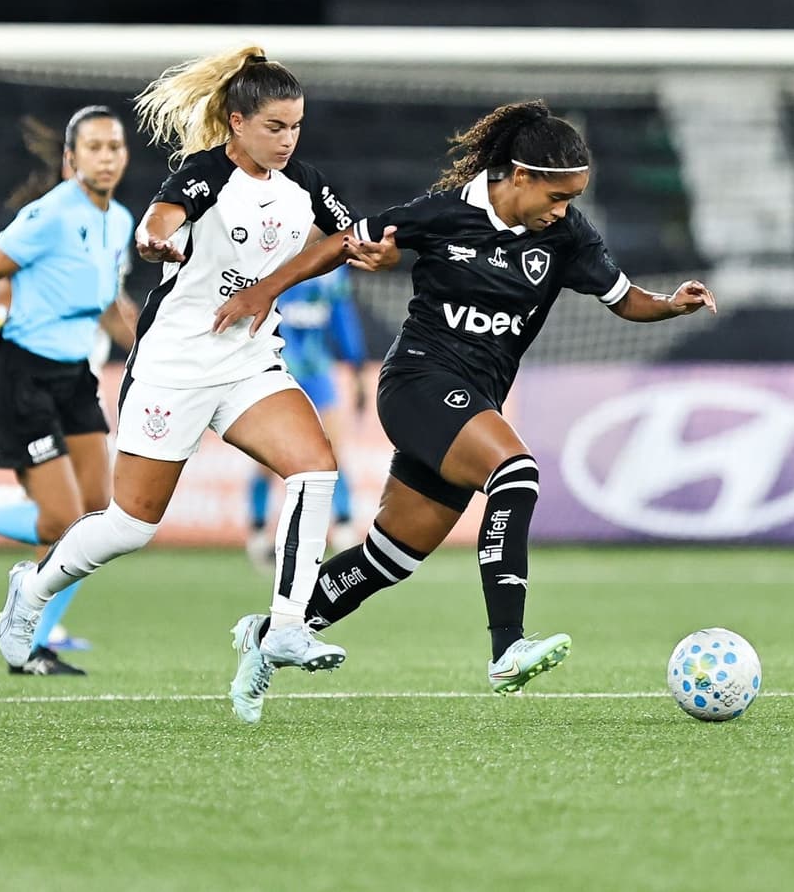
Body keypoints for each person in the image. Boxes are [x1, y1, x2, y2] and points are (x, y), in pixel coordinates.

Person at [214, 100, 717, 721]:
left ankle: (268, 635)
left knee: (390, 557)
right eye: (557, 196)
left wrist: (671, 303)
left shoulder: (565, 234)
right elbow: (345, 241)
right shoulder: (442, 213)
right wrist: (267, 288)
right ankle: (507, 648)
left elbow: (624, 299)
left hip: (473, 401)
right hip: (419, 381)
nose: (564, 210)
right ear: (521, 177)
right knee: (517, 474)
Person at [0, 45, 398, 720]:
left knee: (315, 467)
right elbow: (160, 223)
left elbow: (340, 235)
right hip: (175, 365)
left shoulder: (304, 180)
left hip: (245, 363)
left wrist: (351, 256)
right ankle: (30, 589)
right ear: (236, 122)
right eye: (275, 126)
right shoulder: (203, 174)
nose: (288, 139)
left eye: (297, 126)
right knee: (130, 525)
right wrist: (157, 242)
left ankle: (286, 624)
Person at [0, 105, 134, 675]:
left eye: (114, 147)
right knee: (59, 521)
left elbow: (105, 301)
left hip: (73, 376)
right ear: (71, 158)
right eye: (95, 147)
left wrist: (143, 345)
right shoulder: (51, 215)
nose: (106, 156)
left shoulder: (122, 221)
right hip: (21, 374)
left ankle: (35, 641)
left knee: (99, 518)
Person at [246, 268, 367, 570]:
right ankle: (258, 531)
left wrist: (356, 366)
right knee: (266, 457)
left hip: (317, 369)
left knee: (333, 450)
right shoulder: (278, 255)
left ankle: (343, 527)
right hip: (278, 367)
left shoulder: (334, 270)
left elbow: (342, 316)